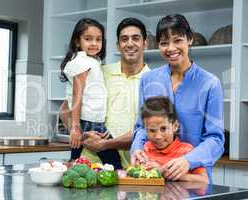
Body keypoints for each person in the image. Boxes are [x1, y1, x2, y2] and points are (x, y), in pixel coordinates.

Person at [130, 13, 224, 182]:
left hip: (192, 179)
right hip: (153, 177)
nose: (171, 48)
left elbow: (215, 139)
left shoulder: (210, 84)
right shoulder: (148, 80)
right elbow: (141, 127)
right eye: (164, 43)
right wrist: (136, 148)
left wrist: (188, 161)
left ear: (190, 39)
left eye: (178, 40)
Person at [60, 17, 150, 168]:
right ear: (118, 45)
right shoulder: (100, 72)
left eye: (136, 38)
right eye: (124, 39)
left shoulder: (154, 80)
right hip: (88, 166)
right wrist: (82, 137)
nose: (129, 43)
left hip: (131, 170)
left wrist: (104, 144)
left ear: (145, 44)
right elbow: (64, 110)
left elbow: (149, 131)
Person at [60, 18, 122, 169]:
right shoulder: (83, 62)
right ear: (77, 42)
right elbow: (77, 95)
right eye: (88, 39)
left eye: (98, 39)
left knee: (75, 160)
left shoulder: (91, 61)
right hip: (89, 121)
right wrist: (75, 127)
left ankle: (71, 171)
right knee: (114, 162)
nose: (94, 43)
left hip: (90, 119)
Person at [141, 96, 208, 183]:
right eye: (152, 130)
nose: (158, 136)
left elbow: (204, 181)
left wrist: (163, 172)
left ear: (175, 126)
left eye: (163, 128)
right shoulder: (146, 148)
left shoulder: (187, 151)